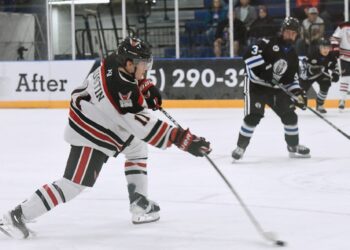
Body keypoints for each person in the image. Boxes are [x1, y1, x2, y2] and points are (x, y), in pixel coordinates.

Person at [0, 37, 212, 239]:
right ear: (129, 64)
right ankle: (15, 216)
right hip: (91, 132)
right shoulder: (122, 94)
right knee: (73, 185)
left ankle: (138, 202)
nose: (146, 67)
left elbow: (130, 89)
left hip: (97, 116)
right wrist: (183, 139)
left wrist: (143, 87)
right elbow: (147, 128)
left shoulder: (115, 59)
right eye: (142, 63)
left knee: (136, 148)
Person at [231, 17, 310, 161]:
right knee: (253, 116)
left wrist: (298, 93)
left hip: (275, 89)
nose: (290, 35)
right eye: (288, 32)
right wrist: (264, 70)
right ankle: (241, 147)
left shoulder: (293, 55)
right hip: (256, 86)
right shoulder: (267, 42)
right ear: (282, 31)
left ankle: (293, 145)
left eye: (293, 33)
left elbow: (291, 79)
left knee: (290, 116)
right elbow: (248, 55)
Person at [299, 38, 339, 113]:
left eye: (328, 48)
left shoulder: (332, 56)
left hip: (322, 74)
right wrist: (309, 71)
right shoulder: (312, 54)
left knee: (326, 84)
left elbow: (335, 67)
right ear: (320, 47)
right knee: (301, 91)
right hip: (309, 75)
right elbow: (303, 65)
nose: (326, 50)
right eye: (324, 47)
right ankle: (291, 103)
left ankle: (320, 105)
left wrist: (335, 74)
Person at [331, 22, 350, 110]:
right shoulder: (343, 26)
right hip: (345, 57)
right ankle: (342, 100)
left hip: (344, 56)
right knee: (345, 79)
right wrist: (335, 48)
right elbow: (334, 38)